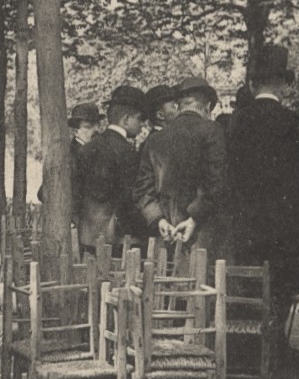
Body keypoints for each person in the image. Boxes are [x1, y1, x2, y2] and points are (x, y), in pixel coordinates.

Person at [226, 45, 299, 298]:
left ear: (253, 84)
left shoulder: (235, 123)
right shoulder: (296, 123)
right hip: (284, 229)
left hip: (244, 227)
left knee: (248, 296)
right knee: (278, 295)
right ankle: (275, 333)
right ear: (284, 85)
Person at [135, 75, 228, 258]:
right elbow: (215, 184)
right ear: (208, 106)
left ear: (179, 105)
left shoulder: (155, 139)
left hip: (165, 237)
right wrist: (193, 218)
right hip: (201, 237)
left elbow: (142, 190)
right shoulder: (213, 131)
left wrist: (158, 220)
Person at [76, 85, 146, 256]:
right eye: (140, 119)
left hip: (87, 235)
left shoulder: (87, 148)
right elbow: (130, 198)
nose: (142, 124)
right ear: (127, 119)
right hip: (117, 239)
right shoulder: (128, 152)